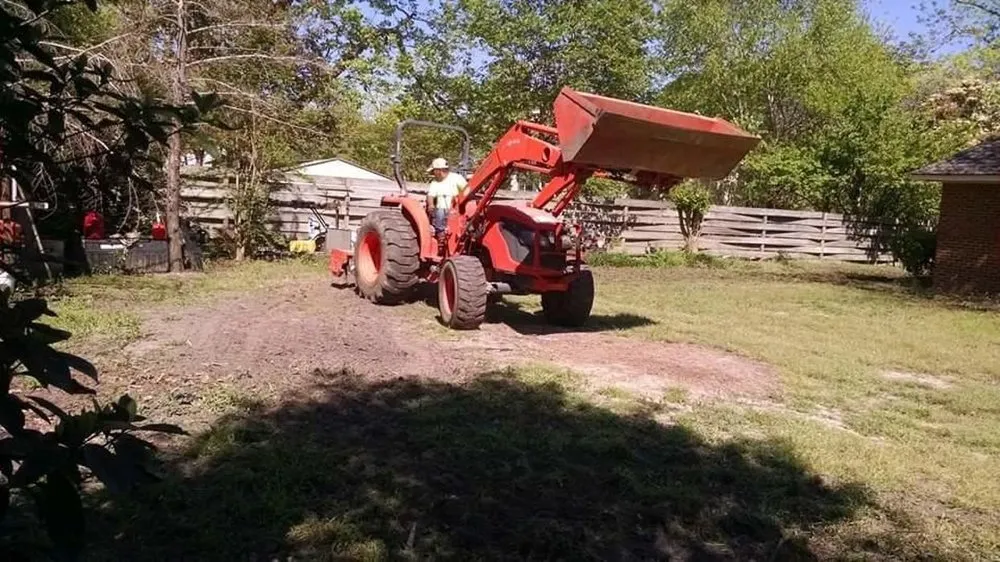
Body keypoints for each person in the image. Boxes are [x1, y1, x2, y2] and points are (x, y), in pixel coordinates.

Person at [425, 157, 467, 237]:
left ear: (439, 170)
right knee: (440, 213)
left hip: (457, 209)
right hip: (441, 210)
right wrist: (430, 204)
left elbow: (467, 191)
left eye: (434, 171)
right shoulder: (435, 182)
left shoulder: (456, 178)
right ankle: (440, 234)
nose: (433, 173)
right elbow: (430, 195)